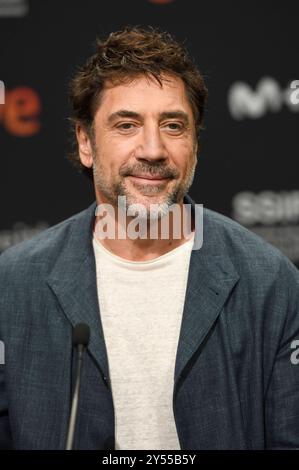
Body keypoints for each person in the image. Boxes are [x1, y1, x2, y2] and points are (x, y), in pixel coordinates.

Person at [0, 26, 299, 451]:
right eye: (127, 125)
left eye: (174, 125)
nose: (153, 150)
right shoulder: (13, 285)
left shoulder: (269, 281)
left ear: (194, 144)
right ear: (86, 142)